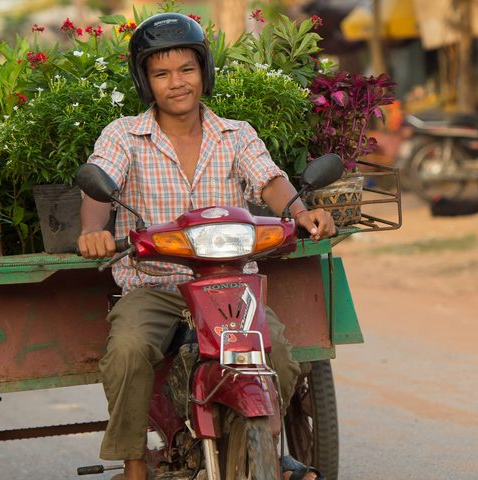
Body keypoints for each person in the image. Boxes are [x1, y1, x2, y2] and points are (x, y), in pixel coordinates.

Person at [77, 13, 331, 480]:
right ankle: (133, 462)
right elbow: (99, 185)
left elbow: (268, 179)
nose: (177, 82)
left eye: (186, 69)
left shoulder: (236, 134)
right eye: (161, 73)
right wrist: (93, 231)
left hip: (231, 289)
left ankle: (265, 446)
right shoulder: (124, 135)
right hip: (155, 287)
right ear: (145, 81)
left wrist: (299, 212)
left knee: (278, 354)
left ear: (204, 72)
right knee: (128, 350)